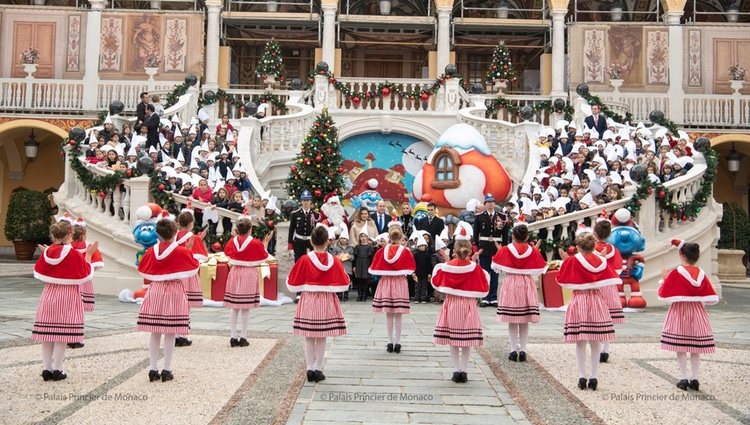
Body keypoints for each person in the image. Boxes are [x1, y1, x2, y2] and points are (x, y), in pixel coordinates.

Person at [136, 212, 199, 382]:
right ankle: (167, 369)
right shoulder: (181, 251)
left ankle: (152, 368)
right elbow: (193, 267)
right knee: (170, 332)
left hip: (155, 290)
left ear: (157, 233)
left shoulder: (151, 251)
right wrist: (189, 250)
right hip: (174, 290)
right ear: (175, 232)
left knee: (155, 332)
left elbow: (142, 269)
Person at [33, 219, 97, 381]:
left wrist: (47, 252)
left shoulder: (48, 252)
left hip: (49, 293)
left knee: (47, 333)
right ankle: (58, 369)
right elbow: (85, 273)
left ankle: (46, 369)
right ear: (70, 234)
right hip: (68, 295)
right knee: (62, 333)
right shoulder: (73, 253)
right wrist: (89, 254)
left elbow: (43, 269)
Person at [556, 230, 620, 391]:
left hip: (579, 300)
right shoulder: (601, 261)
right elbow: (610, 279)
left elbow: (562, 280)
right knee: (595, 339)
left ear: (578, 246)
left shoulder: (572, 261)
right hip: (596, 300)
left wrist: (565, 261)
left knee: (580, 340)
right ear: (593, 246)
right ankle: (594, 376)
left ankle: (582, 376)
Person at [286, 225, 349, 383]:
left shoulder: (305, 259)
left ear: (311, 242)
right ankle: (319, 369)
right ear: (327, 242)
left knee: (309, 336)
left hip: (309, 299)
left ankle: (309, 368)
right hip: (326, 300)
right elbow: (344, 282)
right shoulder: (333, 260)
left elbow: (292, 281)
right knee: (322, 336)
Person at [431, 224, 490, 383]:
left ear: (454, 249)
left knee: (453, 339)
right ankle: (464, 370)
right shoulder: (474, 268)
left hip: (452, 304)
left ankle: (455, 370)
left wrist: (447, 260)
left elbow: (436, 282)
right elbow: (485, 287)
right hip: (468, 305)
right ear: (470, 249)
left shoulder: (447, 266)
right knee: (466, 339)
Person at [659, 239, 719, 391]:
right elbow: (710, 295)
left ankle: (683, 378)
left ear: (681, 255)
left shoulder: (676, 273)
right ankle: (695, 378)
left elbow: (664, 296)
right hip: (697, 312)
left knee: (680, 346)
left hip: (679, 312)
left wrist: (664, 280)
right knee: (695, 347)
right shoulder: (701, 273)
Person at [491, 219, 547, 362]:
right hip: (526, 283)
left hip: (511, 283)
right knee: (524, 319)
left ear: (513, 236)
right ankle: (523, 350)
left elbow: (496, 266)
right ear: (527, 237)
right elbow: (540, 268)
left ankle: (512, 350)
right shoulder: (531, 250)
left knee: (512, 319)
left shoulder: (506, 249)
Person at [224, 211, 273, 347]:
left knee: (234, 306)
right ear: (250, 229)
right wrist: (266, 243)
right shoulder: (255, 243)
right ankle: (243, 337)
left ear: (237, 229)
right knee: (245, 307)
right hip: (249, 274)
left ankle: (233, 336)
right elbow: (264, 257)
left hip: (234, 272)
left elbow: (227, 254)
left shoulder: (232, 241)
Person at [369, 226, 416, 354]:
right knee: (398, 314)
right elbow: (411, 267)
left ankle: (390, 342)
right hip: (400, 282)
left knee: (388, 314)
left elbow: (374, 266)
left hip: (386, 282)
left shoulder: (382, 251)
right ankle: (398, 342)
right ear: (401, 237)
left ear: (389, 237)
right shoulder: (406, 251)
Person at [175, 202, 208, 347]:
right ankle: (183, 334)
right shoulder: (194, 238)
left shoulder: (173, 236)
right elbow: (201, 257)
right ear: (191, 223)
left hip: (175, 273)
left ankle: (175, 333)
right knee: (186, 304)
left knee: (176, 303)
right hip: (188, 274)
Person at [68, 217, 104, 349]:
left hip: (69, 282)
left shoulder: (67, 247)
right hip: (83, 283)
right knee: (79, 311)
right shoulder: (88, 248)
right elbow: (96, 266)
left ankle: (66, 335)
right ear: (83, 235)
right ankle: (77, 337)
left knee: (68, 310)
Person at [593, 218, 624, 363]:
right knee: (608, 318)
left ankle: (596, 347)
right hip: (609, 286)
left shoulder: (590, 248)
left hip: (595, 286)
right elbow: (618, 269)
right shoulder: (614, 250)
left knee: (596, 316)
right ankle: (605, 349)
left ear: (594, 233)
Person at [473, 194, 507, 307]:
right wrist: (476, 249)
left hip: (496, 249)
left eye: (492, 201)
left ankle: (493, 297)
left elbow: (505, 235)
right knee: (485, 273)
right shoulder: (479, 217)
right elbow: (475, 234)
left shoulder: (501, 217)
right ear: (485, 204)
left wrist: (504, 248)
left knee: (495, 274)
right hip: (484, 248)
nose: (491, 204)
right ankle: (485, 296)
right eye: (488, 202)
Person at [288, 190, 319, 303]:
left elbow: (316, 230)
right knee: (299, 267)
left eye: (307, 200)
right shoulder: (295, 214)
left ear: (311, 201)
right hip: (299, 242)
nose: (306, 202)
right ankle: (299, 293)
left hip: (310, 243)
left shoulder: (315, 214)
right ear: (301, 201)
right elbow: (291, 230)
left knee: (312, 266)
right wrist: (290, 243)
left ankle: (311, 290)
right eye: (304, 200)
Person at [352, 230, 374, 302]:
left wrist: (370, 266)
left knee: (364, 280)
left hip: (366, 263)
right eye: (362, 236)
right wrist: (354, 266)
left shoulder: (369, 247)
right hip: (358, 263)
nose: (363, 238)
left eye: (365, 236)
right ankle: (359, 295)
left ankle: (364, 295)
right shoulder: (357, 247)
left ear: (367, 238)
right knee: (359, 280)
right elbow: (354, 257)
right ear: (359, 238)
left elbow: (371, 258)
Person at [412, 233, 435, 304]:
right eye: (420, 246)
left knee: (424, 286)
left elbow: (429, 265)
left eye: (423, 246)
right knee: (417, 286)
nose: (422, 247)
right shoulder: (415, 255)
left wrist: (429, 273)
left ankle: (423, 298)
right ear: (417, 247)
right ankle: (416, 298)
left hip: (425, 274)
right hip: (417, 273)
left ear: (426, 246)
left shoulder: (428, 255)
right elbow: (413, 264)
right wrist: (413, 272)